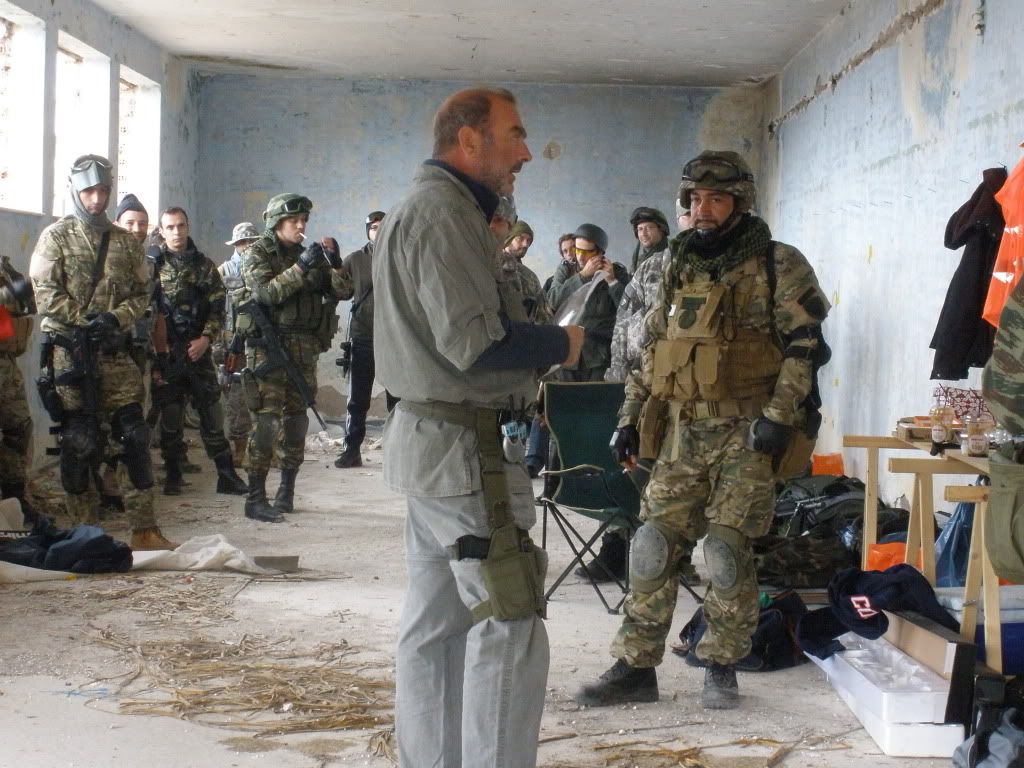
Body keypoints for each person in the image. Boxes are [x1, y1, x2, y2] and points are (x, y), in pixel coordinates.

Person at [374, 87, 584, 768]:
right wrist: (563, 344)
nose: (526, 151)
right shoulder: (444, 215)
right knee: (508, 620)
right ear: (469, 140)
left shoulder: (435, 209)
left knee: (436, 626)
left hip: (438, 447)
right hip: (468, 456)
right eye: (514, 134)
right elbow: (476, 344)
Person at [575, 150, 829, 710]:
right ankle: (636, 666)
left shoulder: (778, 263)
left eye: (717, 198)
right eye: (695, 198)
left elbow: (805, 348)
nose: (704, 208)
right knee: (651, 545)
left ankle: (721, 664)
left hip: (747, 431)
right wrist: (628, 418)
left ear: (741, 202)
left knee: (725, 551)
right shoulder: (674, 264)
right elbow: (653, 351)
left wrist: (778, 417)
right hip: (681, 430)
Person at [29, 155, 176, 550]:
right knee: (80, 443)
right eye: (89, 191)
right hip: (72, 357)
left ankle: (144, 530)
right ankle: (86, 533)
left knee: (134, 436)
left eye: (103, 191)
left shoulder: (125, 242)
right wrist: (83, 320)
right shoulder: (56, 237)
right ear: (75, 191)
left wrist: (115, 318)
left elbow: (142, 293)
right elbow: (44, 293)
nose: (96, 199)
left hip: (115, 354)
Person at [586, 205, 699, 587]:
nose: (696, 217)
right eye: (689, 210)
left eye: (650, 227)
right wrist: (619, 377)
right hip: (647, 385)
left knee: (684, 480)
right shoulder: (651, 268)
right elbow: (626, 324)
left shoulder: (736, 269)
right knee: (632, 468)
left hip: (698, 396)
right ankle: (618, 546)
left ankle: (678, 556)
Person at [239, 193, 353, 522]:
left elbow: (343, 291)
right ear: (277, 222)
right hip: (268, 349)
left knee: (295, 422)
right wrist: (301, 268)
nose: (301, 226)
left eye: (304, 220)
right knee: (266, 423)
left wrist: (335, 263)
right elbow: (266, 293)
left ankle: (286, 490)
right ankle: (255, 498)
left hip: (303, 350)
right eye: (294, 220)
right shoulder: (258, 252)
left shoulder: (309, 255)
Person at [151, 207, 248, 497]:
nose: (177, 232)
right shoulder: (153, 266)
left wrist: (206, 338)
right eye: (170, 227)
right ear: (161, 231)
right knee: (171, 416)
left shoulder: (204, 266)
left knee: (212, 415)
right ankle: (173, 474)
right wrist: (159, 349)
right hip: (168, 352)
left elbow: (218, 307)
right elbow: (149, 312)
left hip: (198, 351)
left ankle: (226, 475)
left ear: (188, 227)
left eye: (181, 225)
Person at [335, 210, 391, 469]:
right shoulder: (356, 259)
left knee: (398, 397)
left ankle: (397, 452)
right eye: (374, 227)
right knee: (358, 398)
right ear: (368, 231)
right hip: (363, 335)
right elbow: (341, 291)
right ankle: (352, 449)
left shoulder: (399, 255)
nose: (378, 230)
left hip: (394, 336)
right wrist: (334, 265)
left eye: (383, 225)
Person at [549, 223, 630, 382]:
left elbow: (628, 310)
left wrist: (612, 281)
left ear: (600, 252)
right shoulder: (566, 271)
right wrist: (582, 276)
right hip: (567, 353)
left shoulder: (617, 272)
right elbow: (552, 300)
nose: (580, 257)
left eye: (587, 252)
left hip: (599, 357)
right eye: (577, 250)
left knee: (595, 396)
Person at [217, 221, 259, 468]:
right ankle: (240, 446)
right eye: (244, 242)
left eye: (252, 242)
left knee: (265, 393)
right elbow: (214, 307)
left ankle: (265, 446)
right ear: (236, 244)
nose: (248, 246)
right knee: (236, 396)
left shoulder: (264, 269)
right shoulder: (223, 271)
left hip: (260, 340)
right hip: (234, 341)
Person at [0, 251, 38, 525]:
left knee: (19, 429)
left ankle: (15, 499)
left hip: (6, 363)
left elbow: (24, 307)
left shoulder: (4, 268)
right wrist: (9, 294)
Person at [544, 232, 579, 296]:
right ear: (563, 255)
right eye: (565, 251)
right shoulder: (550, 282)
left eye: (572, 248)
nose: (569, 253)